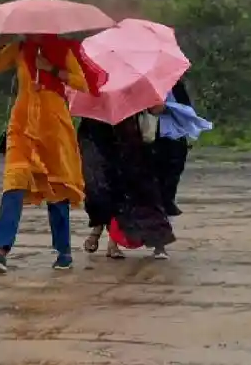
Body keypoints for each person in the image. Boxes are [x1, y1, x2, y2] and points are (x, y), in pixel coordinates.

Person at [0, 34, 107, 274]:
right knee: (13, 184)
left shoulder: (64, 50)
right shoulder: (20, 48)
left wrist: (52, 69)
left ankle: (63, 252)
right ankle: (1, 251)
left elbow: (83, 82)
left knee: (56, 189)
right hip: (22, 125)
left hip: (53, 127)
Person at [80, 108, 177, 260]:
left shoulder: (131, 92)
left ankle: (157, 243)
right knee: (102, 192)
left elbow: (156, 108)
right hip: (100, 139)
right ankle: (102, 235)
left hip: (130, 142)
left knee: (143, 193)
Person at [154, 79, 196, 216]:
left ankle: (167, 203)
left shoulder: (176, 85)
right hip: (147, 136)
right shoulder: (138, 85)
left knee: (172, 173)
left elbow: (188, 110)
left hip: (173, 136)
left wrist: (167, 108)